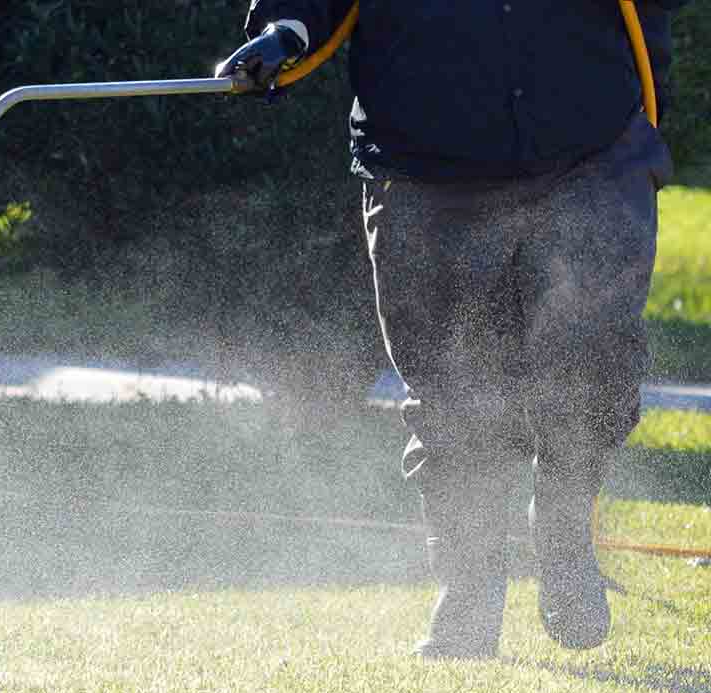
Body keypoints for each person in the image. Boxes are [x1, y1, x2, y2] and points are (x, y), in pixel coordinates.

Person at [216, 1, 685, 659]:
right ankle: (469, 598)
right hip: (426, 172)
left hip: (591, 149)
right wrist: (283, 31)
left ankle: (565, 531)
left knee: (594, 360)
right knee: (454, 398)